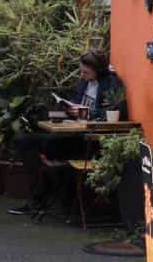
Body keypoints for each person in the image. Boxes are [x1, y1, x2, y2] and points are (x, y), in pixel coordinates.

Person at [9, 51, 126, 218]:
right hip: (73, 133)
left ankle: (40, 200)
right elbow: (75, 103)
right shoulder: (84, 84)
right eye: (82, 71)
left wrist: (87, 113)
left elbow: (116, 111)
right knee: (24, 141)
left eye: (86, 72)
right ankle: (39, 198)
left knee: (39, 146)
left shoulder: (111, 84)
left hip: (89, 140)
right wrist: (69, 108)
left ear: (98, 70)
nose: (83, 75)